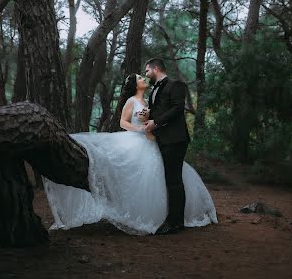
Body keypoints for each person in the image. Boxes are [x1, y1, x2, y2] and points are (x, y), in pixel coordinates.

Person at [43, 72, 217, 235]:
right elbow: (123, 123)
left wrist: (149, 121)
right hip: (134, 140)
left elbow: (153, 119)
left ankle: (168, 215)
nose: (144, 79)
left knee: (160, 176)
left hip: (150, 142)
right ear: (136, 85)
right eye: (141, 78)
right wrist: (140, 128)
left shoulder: (148, 102)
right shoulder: (131, 101)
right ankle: (133, 212)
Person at [144, 57, 190, 234]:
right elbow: (158, 110)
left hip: (175, 139)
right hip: (162, 139)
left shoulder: (175, 85)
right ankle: (172, 220)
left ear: (156, 69)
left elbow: (178, 109)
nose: (146, 74)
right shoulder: (154, 89)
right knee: (169, 180)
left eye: (147, 71)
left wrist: (156, 122)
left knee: (174, 180)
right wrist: (147, 119)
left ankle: (176, 223)